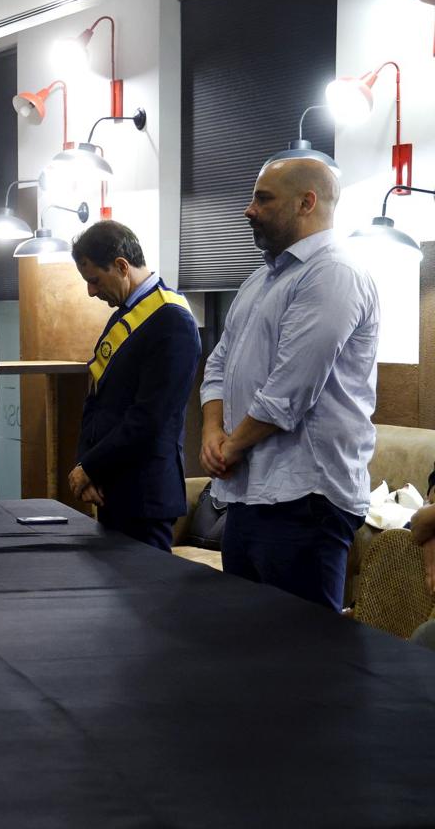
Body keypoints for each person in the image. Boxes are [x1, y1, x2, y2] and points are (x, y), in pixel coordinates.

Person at [200, 158, 380, 610]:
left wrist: (231, 445)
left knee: (304, 661)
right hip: (250, 492)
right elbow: (219, 362)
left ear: (306, 202)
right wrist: (210, 431)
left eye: (263, 198)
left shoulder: (334, 273)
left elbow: (290, 390)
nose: (248, 209)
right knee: (251, 648)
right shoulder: (261, 278)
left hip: (306, 499)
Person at [68, 221, 200, 552]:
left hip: (145, 493)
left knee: (146, 602)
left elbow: (149, 417)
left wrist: (90, 466)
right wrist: (88, 465)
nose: (91, 292)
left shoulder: (172, 320)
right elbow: (97, 401)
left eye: (95, 280)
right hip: (112, 486)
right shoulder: (126, 313)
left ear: (122, 267)